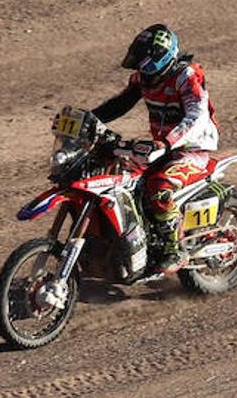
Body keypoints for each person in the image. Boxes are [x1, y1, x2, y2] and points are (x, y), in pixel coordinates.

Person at [92, 23, 218, 275]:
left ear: (161, 58)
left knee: (159, 187)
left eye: (146, 63)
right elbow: (121, 103)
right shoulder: (143, 78)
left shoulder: (187, 76)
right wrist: (89, 119)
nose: (141, 68)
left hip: (192, 149)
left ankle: (173, 249)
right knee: (116, 174)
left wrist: (168, 142)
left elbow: (196, 117)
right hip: (162, 147)